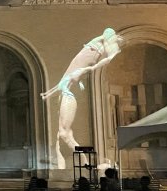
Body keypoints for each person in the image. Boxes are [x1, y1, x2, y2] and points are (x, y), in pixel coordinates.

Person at [41, 27, 123, 168]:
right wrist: (47, 94)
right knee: (63, 135)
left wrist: (89, 69)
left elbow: (110, 57)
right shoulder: (71, 74)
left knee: (64, 134)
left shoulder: (105, 43)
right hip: (66, 90)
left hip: (68, 93)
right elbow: (58, 86)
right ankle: (83, 163)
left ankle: (85, 162)